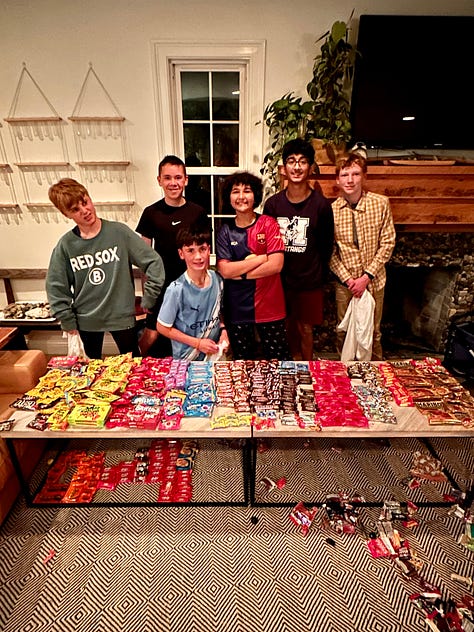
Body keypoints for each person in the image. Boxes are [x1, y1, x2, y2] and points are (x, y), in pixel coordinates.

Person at [46, 178, 165, 359]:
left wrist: (149, 298)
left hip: (122, 317)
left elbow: (153, 262)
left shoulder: (119, 232)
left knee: (133, 367)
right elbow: (56, 286)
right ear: (66, 214)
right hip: (86, 320)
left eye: (85, 202)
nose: (85, 211)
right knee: (88, 372)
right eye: (75, 209)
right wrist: (66, 319)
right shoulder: (66, 245)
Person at [263, 138, 334, 360]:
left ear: (310, 167)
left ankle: (307, 371)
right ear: (284, 168)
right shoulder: (273, 205)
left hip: (309, 281)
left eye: (302, 161)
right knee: (283, 329)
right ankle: (286, 372)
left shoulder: (321, 205)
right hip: (279, 280)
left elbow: (326, 246)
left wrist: (318, 276)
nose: (296, 166)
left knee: (306, 329)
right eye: (291, 161)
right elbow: (266, 245)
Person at [135, 155, 210, 357]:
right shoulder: (151, 213)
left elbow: (204, 251)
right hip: (161, 286)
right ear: (159, 180)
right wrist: (148, 295)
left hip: (190, 286)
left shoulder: (198, 212)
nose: (173, 183)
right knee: (152, 334)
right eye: (167, 178)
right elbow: (144, 259)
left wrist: (204, 287)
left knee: (187, 333)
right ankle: (136, 366)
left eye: (178, 177)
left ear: (186, 180)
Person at [216, 171, 291, 361]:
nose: (241, 196)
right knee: (243, 364)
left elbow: (276, 265)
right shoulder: (225, 231)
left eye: (247, 191)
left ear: (255, 195)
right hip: (237, 308)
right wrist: (260, 259)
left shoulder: (268, 223)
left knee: (279, 362)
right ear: (228, 197)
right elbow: (225, 270)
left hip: (270, 307)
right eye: (236, 191)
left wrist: (240, 273)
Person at [330, 152, 396, 360]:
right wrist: (349, 280)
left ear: (364, 176)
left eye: (355, 174)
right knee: (343, 331)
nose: (350, 180)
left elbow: (387, 243)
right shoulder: (331, 210)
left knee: (373, 333)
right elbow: (330, 252)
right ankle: (344, 373)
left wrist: (367, 277)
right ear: (338, 180)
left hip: (374, 281)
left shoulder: (380, 204)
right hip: (345, 284)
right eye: (344, 175)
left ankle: (375, 373)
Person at [156, 225, 229, 360]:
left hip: (214, 356)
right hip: (187, 359)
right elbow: (162, 327)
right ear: (181, 254)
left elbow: (219, 311)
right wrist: (198, 343)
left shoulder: (218, 280)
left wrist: (223, 331)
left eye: (202, 249)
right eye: (190, 251)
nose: (198, 257)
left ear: (209, 250)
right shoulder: (176, 289)